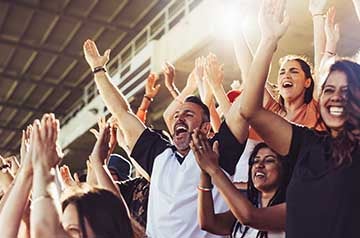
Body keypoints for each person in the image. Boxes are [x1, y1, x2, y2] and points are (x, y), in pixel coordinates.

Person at [83, 39, 248, 238]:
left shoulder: (218, 152)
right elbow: (122, 111)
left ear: (206, 127)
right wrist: (98, 70)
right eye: (177, 114)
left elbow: (245, 111)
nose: (178, 117)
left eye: (188, 115)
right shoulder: (160, 155)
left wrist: (240, 37)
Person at [232, 0, 360, 237]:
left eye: (294, 71)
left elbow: (325, 73)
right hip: (283, 210)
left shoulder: (314, 110)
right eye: (282, 71)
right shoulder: (301, 138)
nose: (334, 98)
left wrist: (318, 17)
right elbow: (250, 95)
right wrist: (264, 39)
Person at [194, 140, 288, 238]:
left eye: (269, 160)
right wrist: (205, 172)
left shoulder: (292, 207)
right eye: (255, 161)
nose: (259, 165)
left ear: (284, 169)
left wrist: (213, 169)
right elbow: (209, 223)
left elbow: (250, 217)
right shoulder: (249, 204)